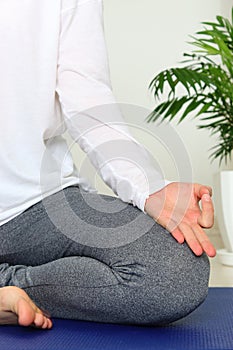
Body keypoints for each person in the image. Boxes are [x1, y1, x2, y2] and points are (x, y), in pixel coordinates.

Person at [0, 0, 216, 329]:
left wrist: (148, 188)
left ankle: (10, 283)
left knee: (176, 271)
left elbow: (87, 94)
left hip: (35, 205)